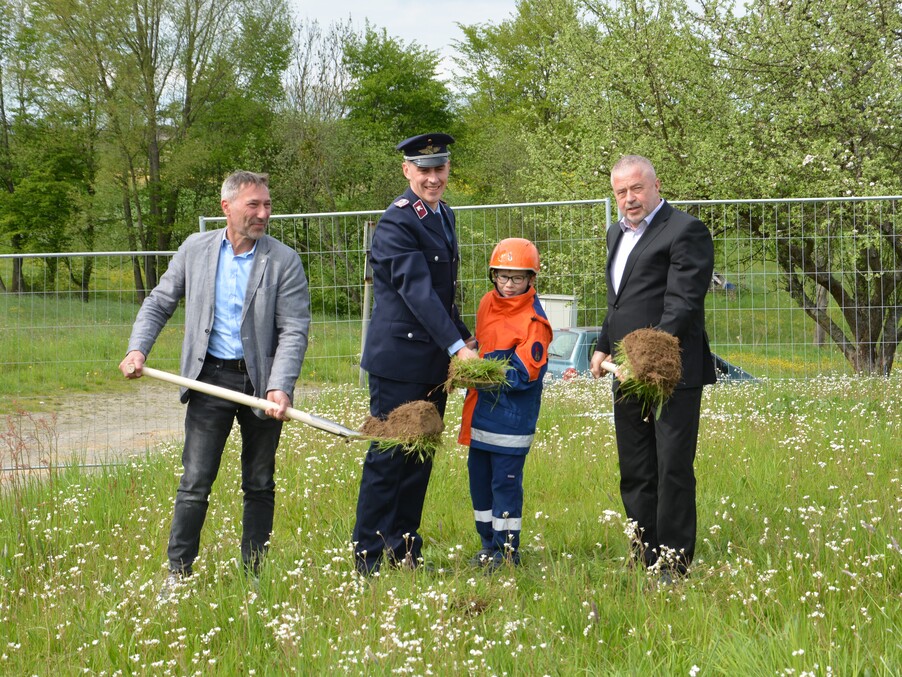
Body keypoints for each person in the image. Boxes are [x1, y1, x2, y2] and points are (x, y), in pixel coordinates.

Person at [119, 170, 311, 591]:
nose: (263, 213)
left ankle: (254, 575)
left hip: (261, 384)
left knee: (259, 482)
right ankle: (178, 573)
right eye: (253, 205)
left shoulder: (283, 261)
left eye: (267, 205)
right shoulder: (196, 250)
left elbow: (294, 330)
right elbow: (159, 302)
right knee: (195, 481)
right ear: (227, 207)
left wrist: (280, 386)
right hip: (210, 379)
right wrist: (138, 349)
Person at [354, 132, 478, 575]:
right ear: (407, 171)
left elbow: (443, 298)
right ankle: (367, 559)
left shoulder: (443, 215)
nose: (432, 178)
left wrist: (466, 339)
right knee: (389, 460)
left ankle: (404, 552)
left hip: (430, 362)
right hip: (399, 363)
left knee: (419, 458)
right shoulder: (397, 222)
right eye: (423, 170)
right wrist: (456, 345)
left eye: (439, 169)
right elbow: (417, 291)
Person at [589, 155, 715, 582]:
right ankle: (643, 553)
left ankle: (673, 564)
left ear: (656, 185)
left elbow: (681, 304)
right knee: (637, 468)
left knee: (672, 467)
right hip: (623, 372)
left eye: (637, 188)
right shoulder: (615, 233)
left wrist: (643, 360)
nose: (629, 199)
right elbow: (618, 302)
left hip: (669, 372)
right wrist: (603, 346)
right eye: (621, 192)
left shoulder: (685, 231)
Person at [458, 238, 553, 572]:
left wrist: (478, 375)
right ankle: (487, 546)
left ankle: (507, 552)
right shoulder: (487, 302)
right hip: (480, 416)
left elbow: (524, 373)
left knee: (505, 488)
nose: (509, 284)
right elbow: (481, 342)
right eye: (502, 276)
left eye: (517, 277)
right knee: (479, 485)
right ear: (493, 275)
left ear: (531, 279)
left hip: (511, 424)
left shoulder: (534, 323)